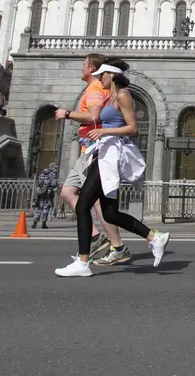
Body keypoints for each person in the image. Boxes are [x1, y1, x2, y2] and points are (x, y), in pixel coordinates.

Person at [55, 59, 169, 276]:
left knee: (83, 206)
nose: (99, 79)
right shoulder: (112, 97)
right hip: (104, 151)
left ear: (111, 75)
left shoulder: (123, 94)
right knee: (110, 214)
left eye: (101, 75)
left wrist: (104, 132)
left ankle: (82, 262)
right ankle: (155, 237)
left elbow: (133, 128)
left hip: (110, 155)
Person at [56, 53, 122, 261]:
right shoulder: (97, 88)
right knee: (74, 193)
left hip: (93, 147)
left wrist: (67, 113)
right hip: (90, 147)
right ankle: (101, 240)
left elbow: (93, 116)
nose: (81, 68)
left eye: (84, 65)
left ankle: (112, 245)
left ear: (92, 69)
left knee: (90, 200)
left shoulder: (94, 89)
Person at [32, 162, 59, 229]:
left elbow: (39, 183)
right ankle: (43, 224)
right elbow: (53, 184)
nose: (55, 169)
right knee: (45, 208)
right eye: (55, 167)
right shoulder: (53, 174)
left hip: (40, 193)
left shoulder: (43, 173)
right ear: (52, 167)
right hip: (47, 194)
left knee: (38, 208)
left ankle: (34, 223)